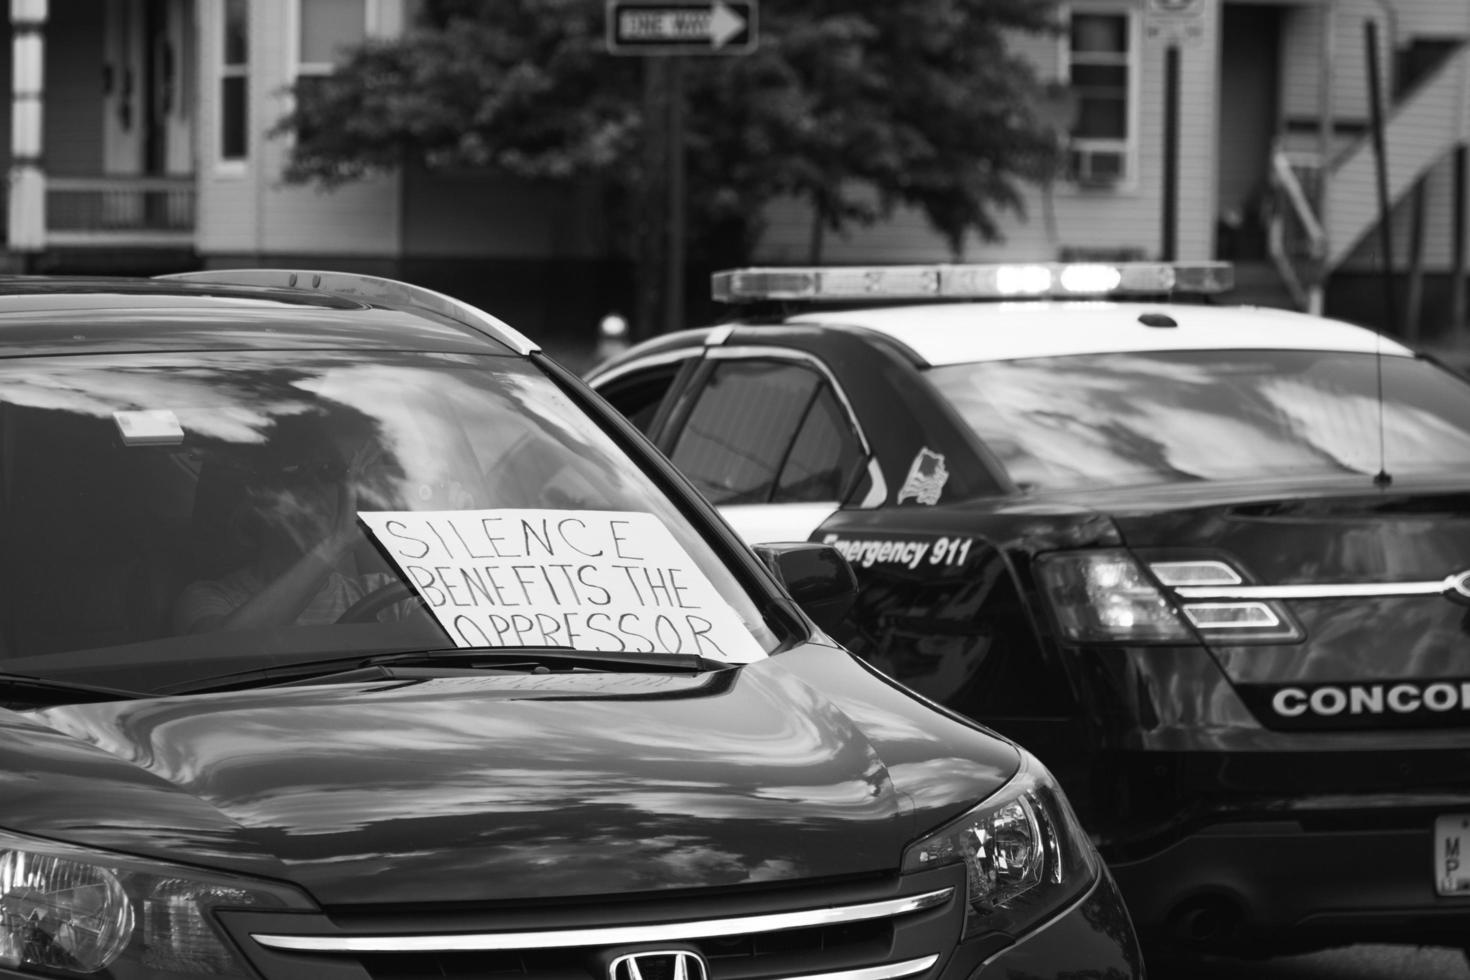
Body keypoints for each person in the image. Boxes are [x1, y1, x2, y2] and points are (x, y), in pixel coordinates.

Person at [174, 440, 403, 633]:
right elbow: (225, 654)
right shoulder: (208, 598)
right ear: (254, 501)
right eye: (296, 473)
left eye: (328, 472)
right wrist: (336, 545)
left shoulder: (383, 594)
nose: (315, 488)